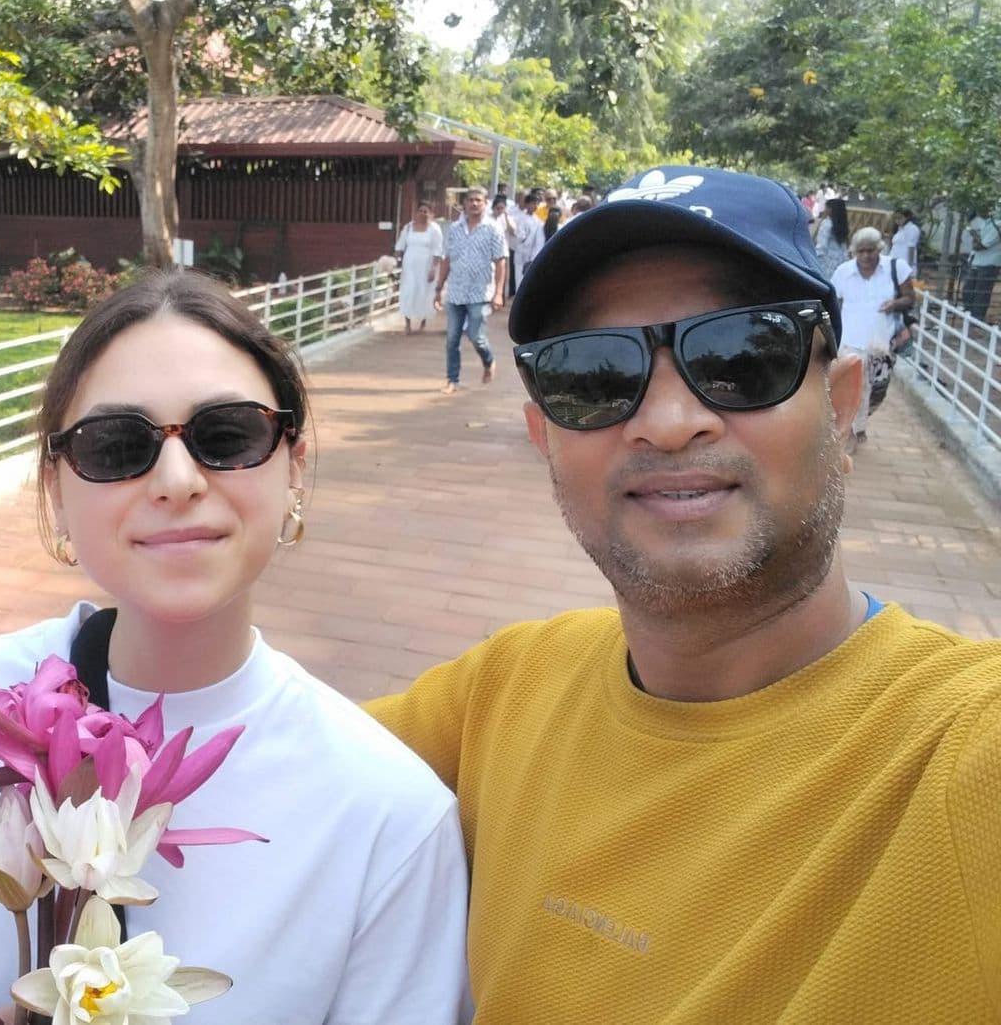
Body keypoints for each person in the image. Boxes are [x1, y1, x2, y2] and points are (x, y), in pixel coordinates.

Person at [370, 165, 1001, 1023]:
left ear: (843, 402)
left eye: (745, 354)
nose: (669, 422)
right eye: (592, 377)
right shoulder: (502, 691)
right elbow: (234, 772)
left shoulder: (961, 750)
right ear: (544, 437)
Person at [0, 271, 470, 1025]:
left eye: (228, 436)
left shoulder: (389, 817)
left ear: (296, 467)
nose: (177, 480)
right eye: (118, 445)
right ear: (56, 489)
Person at [830, 228, 916, 445]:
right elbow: (834, 303)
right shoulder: (843, 272)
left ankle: (859, 427)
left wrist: (894, 304)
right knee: (852, 389)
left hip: (881, 343)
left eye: (870, 251)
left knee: (875, 390)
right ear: (854, 252)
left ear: (879, 250)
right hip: (849, 341)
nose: (866, 256)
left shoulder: (896, 268)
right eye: (861, 251)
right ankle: (848, 432)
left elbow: (910, 298)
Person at [434, 185, 507, 394]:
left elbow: (501, 262)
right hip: (456, 291)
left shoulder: (493, 228)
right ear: (464, 203)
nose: (474, 204)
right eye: (471, 200)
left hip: (480, 292)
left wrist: (499, 292)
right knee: (452, 339)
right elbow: (447, 259)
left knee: (476, 336)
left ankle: (488, 360)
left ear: (485, 204)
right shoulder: (455, 229)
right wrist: (439, 288)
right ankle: (452, 380)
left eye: (478, 200)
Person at [394, 201, 444, 334]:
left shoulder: (434, 229)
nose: (422, 214)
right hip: (410, 264)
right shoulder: (408, 227)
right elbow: (400, 245)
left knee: (425, 292)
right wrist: (395, 260)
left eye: (425, 211)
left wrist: (433, 268)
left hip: (426, 265)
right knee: (408, 290)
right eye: (420, 211)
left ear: (431, 214)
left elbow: (438, 250)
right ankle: (407, 323)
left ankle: (423, 322)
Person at [964, 209, 1001, 321]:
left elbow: (982, 245)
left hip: (990, 263)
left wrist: (974, 235)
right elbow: (977, 242)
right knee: (968, 290)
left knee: (981, 293)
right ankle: (968, 315)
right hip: (977, 260)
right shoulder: (988, 222)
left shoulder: (998, 224)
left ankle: (977, 319)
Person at [508, 189, 544, 294]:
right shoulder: (521, 219)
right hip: (521, 253)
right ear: (527, 204)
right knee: (519, 279)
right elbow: (519, 236)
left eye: (537, 203)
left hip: (532, 254)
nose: (535, 206)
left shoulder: (538, 221)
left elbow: (539, 241)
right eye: (533, 203)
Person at [813, 196, 851, 278]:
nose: (824, 209)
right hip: (841, 260)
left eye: (826, 207)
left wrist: (814, 258)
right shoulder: (843, 225)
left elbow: (822, 245)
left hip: (827, 262)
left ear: (830, 209)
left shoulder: (826, 224)